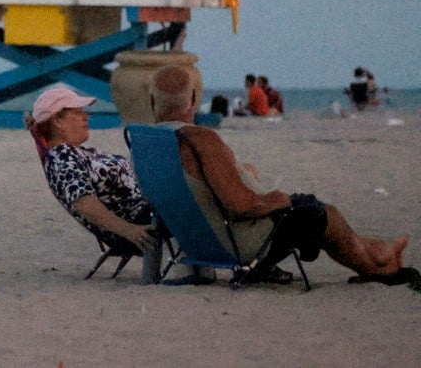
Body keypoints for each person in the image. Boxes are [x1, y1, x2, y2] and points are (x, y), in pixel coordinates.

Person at [150, 65, 415, 285]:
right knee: (324, 215)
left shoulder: (147, 142)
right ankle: (373, 270)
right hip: (237, 244)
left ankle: (378, 250)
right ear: (194, 98)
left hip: (195, 240)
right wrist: (275, 200)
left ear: (152, 101)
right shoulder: (199, 138)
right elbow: (239, 205)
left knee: (307, 211)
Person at [27, 86, 158, 255]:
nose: (86, 116)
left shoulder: (76, 152)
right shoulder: (62, 156)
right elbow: (83, 203)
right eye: (78, 112)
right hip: (140, 220)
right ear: (57, 121)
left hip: (149, 209)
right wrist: (130, 230)